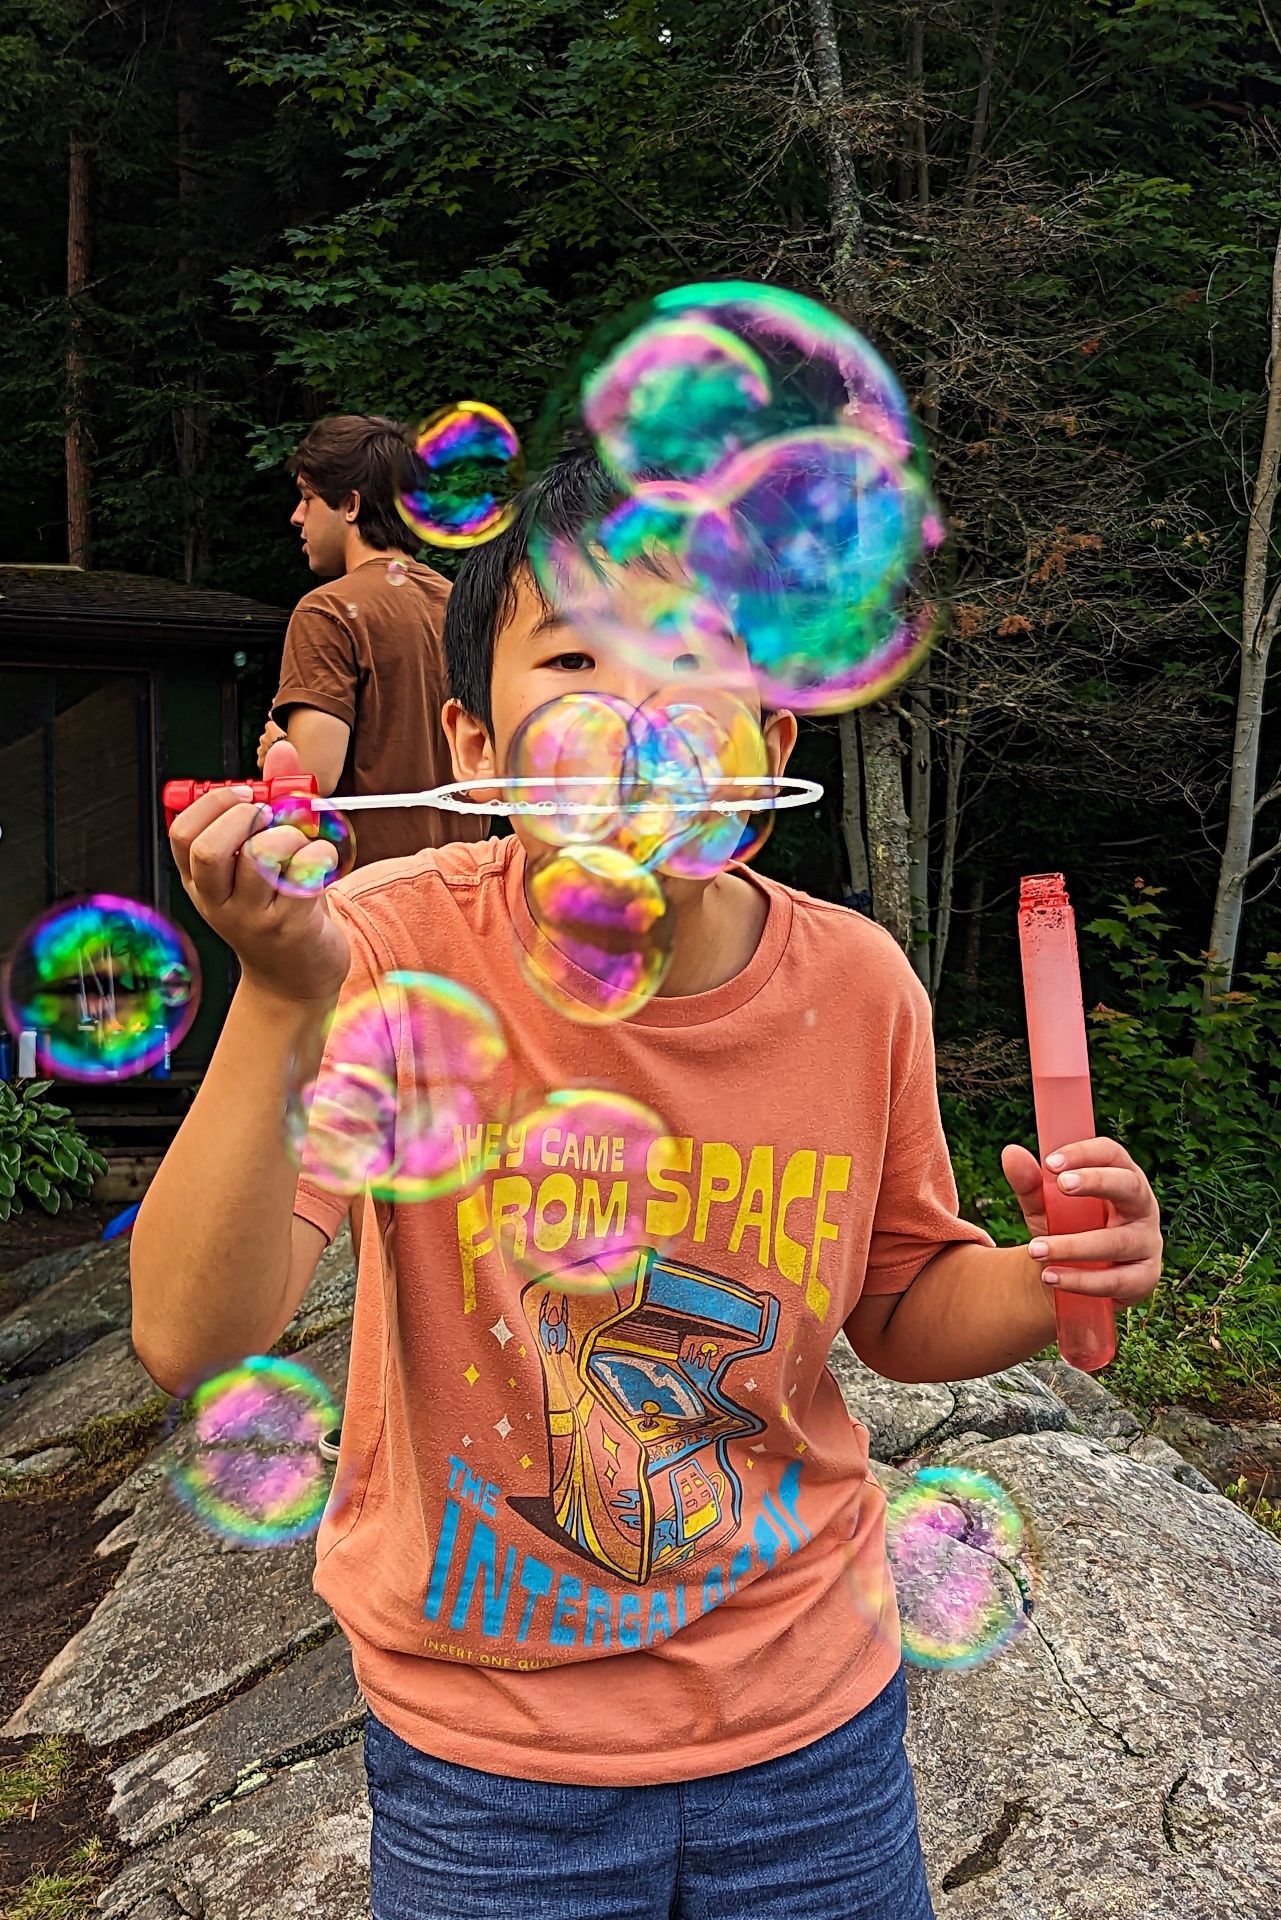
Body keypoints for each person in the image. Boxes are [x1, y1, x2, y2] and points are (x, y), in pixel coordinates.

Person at [133, 449, 1163, 1920]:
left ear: (767, 736)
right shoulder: (374, 953)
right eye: (574, 655)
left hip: (815, 1731)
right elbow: (190, 1336)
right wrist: (279, 999)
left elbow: (905, 1307)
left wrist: (1051, 1271)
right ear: (473, 739)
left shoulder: (858, 985)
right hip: (488, 1760)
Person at [257, 412, 487, 868]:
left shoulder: (327, 611)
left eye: (307, 497)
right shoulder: (468, 608)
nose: (296, 516)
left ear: (351, 506)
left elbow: (310, 779)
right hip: (469, 893)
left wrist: (278, 748)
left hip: (370, 906)